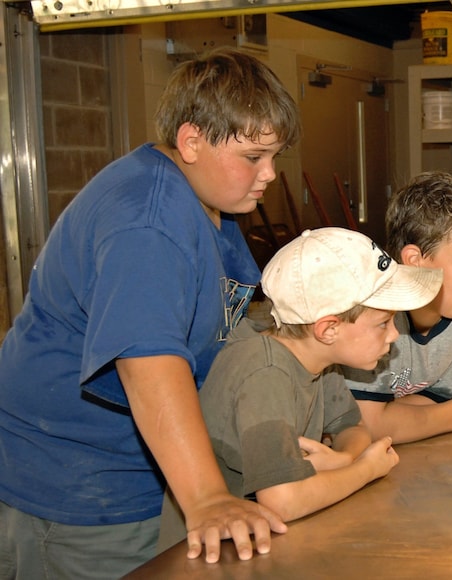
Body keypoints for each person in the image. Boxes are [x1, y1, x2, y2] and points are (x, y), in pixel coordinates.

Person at [0, 48, 302, 577]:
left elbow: (216, 316)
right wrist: (207, 497)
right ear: (191, 142)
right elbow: (150, 361)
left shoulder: (209, 200)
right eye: (254, 157)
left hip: (145, 471)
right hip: (79, 488)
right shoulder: (148, 222)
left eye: (274, 157)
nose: (270, 174)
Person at [158, 227, 442, 549]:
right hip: (209, 552)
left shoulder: (317, 356)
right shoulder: (265, 373)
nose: (393, 335)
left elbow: (353, 426)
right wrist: (365, 469)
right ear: (328, 328)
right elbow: (283, 501)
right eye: (382, 323)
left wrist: (343, 458)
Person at [340, 171, 452, 443]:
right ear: (415, 260)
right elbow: (367, 426)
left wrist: (389, 414)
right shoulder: (370, 314)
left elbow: (440, 397)